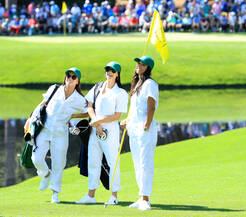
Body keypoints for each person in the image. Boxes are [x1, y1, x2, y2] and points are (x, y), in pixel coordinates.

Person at [24, 67, 87, 203]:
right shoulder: (54, 89)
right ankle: (46, 174)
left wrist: (74, 115)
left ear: (77, 81)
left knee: (59, 163)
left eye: (73, 77)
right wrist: (30, 118)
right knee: (36, 159)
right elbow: (42, 104)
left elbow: (89, 110)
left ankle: (55, 193)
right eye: (68, 75)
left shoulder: (79, 99)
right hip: (44, 130)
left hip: (60, 134)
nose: (70, 78)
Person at [76, 61, 128, 205]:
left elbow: (117, 115)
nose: (109, 72)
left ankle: (114, 196)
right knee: (93, 161)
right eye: (107, 70)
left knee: (113, 162)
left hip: (110, 131)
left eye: (112, 70)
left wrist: (99, 122)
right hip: (95, 129)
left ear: (117, 74)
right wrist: (95, 121)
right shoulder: (98, 86)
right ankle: (91, 195)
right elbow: (89, 106)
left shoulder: (121, 93)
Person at [120, 56, 159, 211]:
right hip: (134, 128)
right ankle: (141, 196)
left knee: (145, 163)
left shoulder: (150, 84)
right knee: (137, 163)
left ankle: (146, 199)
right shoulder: (137, 84)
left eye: (142, 64)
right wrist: (127, 120)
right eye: (138, 63)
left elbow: (151, 107)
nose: (138, 65)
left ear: (147, 67)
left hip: (145, 129)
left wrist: (147, 125)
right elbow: (135, 109)